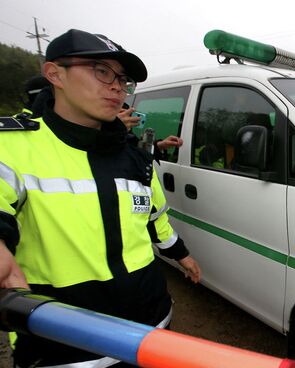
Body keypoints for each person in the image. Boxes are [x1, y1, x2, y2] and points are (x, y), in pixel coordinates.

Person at [0, 29, 201, 367]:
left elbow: (155, 218)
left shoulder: (136, 157)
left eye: (123, 79)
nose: (117, 86)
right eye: (101, 71)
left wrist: (183, 257)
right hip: (63, 343)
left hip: (152, 329)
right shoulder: (13, 148)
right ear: (55, 74)